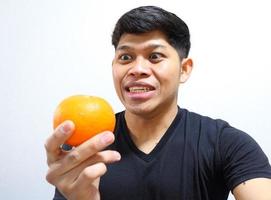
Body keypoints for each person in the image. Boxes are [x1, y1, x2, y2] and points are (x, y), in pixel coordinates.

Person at [45, 6, 271, 200]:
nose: (137, 69)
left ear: (184, 69)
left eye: (154, 56)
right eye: (126, 57)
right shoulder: (86, 145)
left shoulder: (226, 142)